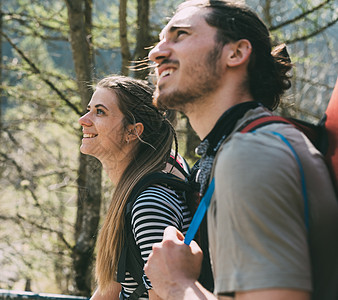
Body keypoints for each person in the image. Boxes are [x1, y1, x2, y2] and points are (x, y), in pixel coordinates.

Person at [143, 1, 338, 299]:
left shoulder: (251, 153)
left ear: (235, 53)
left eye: (180, 35)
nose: (156, 52)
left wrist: (175, 284)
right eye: (160, 40)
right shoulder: (241, 146)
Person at [79, 75, 192, 300]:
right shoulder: (134, 189)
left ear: (133, 131)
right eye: (89, 109)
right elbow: (111, 288)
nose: (84, 119)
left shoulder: (149, 203)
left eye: (99, 112)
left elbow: (163, 295)